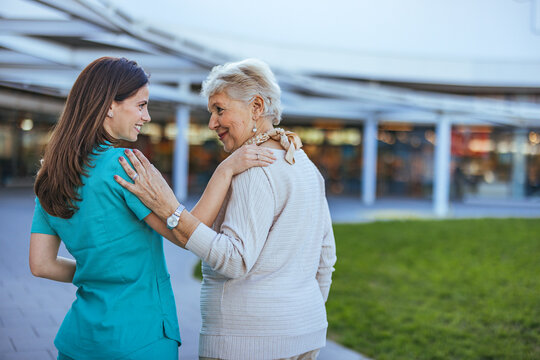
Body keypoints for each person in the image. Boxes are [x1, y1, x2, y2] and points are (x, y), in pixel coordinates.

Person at [29, 56, 275, 360]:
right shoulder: (126, 166)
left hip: (78, 341)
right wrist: (225, 170)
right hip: (140, 340)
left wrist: (97, 271)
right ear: (109, 106)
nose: (146, 116)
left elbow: (42, 265)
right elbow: (188, 231)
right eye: (141, 105)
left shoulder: (50, 176)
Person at [115, 58, 337, 360]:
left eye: (220, 109)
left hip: (247, 344)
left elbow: (234, 260)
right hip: (304, 337)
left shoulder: (252, 170)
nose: (212, 123)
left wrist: (171, 209)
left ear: (256, 107)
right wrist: (297, 320)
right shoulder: (306, 166)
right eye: (211, 112)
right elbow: (326, 259)